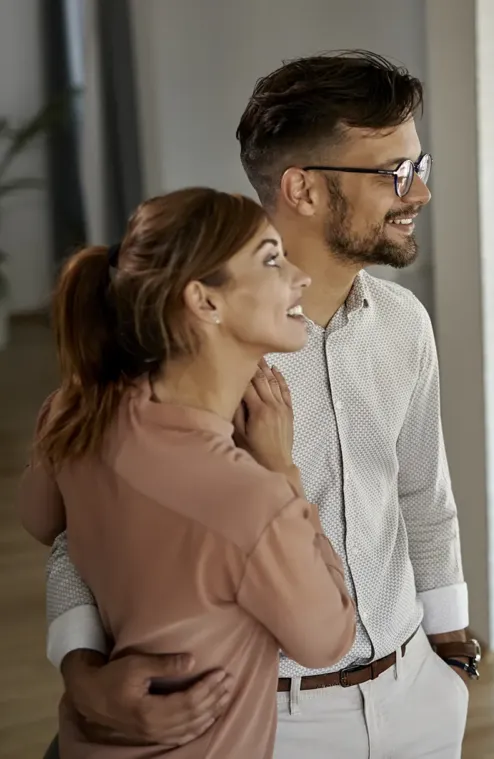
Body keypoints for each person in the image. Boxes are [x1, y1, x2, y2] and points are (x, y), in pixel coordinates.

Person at [39, 51, 477, 758]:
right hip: (264, 716)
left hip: (415, 690)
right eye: (395, 172)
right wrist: (82, 668)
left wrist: (450, 650)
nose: (419, 192)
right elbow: (80, 530)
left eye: (418, 166)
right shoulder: (194, 351)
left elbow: (423, 494)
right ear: (303, 189)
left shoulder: (405, 324)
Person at [16, 187, 358, 757]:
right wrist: (282, 469)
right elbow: (328, 640)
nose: (299, 276)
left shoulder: (76, 414)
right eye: (271, 260)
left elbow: (43, 522)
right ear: (204, 301)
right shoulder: (252, 498)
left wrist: (81, 670)